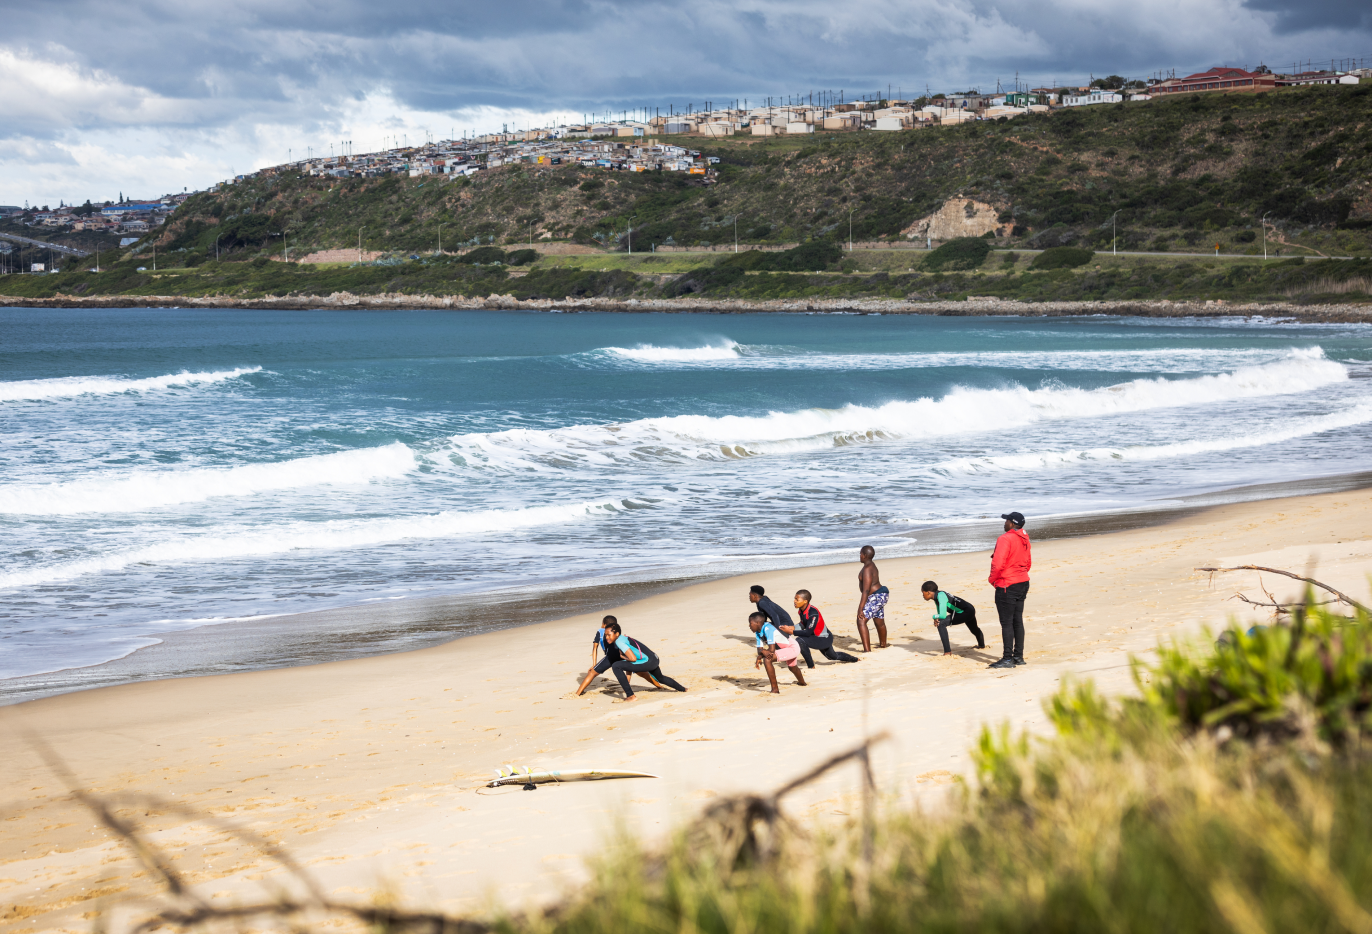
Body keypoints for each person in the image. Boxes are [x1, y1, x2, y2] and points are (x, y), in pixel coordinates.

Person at [576, 617, 686, 699]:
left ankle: (630, 696)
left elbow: (632, 659)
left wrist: (623, 657)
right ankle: (683, 689)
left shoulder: (619, 642)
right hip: (654, 658)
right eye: (606, 635)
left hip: (645, 661)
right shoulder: (625, 638)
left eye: (609, 635)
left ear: (616, 633)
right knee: (659, 677)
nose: (607, 637)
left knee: (616, 666)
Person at [988, 512, 1032, 669]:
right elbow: (1028, 563)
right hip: (1022, 582)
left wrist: (992, 579)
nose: (1004, 523)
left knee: (1007, 622)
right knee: (1017, 620)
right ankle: (1018, 657)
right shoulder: (1024, 538)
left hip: (1007, 584)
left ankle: (1007, 658)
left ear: (1012, 523)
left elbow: (997, 564)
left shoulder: (1005, 538)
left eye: (1006, 520)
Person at [792, 590, 859, 667]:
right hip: (817, 637)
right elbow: (804, 624)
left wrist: (793, 632)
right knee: (832, 656)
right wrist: (792, 628)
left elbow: (807, 632)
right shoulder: (801, 611)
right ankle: (855, 659)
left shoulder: (812, 612)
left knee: (800, 640)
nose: (794, 601)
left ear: (805, 601)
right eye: (794, 599)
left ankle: (811, 666)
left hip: (824, 638)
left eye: (797, 599)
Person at [921, 581, 986, 655]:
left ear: (928, 592)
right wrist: (937, 618)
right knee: (974, 629)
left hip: (965, 612)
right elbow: (940, 615)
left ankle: (947, 652)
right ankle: (981, 645)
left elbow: (942, 615)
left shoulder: (940, 596)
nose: (922, 595)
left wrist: (934, 617)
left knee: (941, 624)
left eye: (923, 592)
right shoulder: (938, 595)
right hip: (969, 609)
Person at [750, 611, 806, 693]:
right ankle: (802, 683)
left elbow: (771, 650)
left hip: (792, 647)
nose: (749, 626)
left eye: (750, 623)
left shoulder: (767, 628)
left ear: (758, 623)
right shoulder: (758, 633)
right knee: (792, 667)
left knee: (767, 660)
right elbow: (759, 650)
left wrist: (762, 654)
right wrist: (761, 654)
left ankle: (775, 689)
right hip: (787, 649)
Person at [855, 545, 889, 651]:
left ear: (865, 555)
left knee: (861, 620)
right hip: (879, 595)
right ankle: (883, 644)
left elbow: (866, 590)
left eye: (860, 554)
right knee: (879, 621)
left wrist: (861, 608)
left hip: (877, 596)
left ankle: (867, 650)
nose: (859, 556)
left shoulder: (867, 569)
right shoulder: (870, 565)